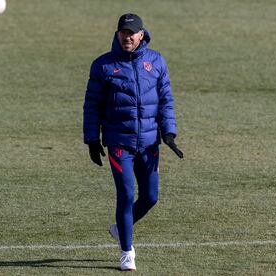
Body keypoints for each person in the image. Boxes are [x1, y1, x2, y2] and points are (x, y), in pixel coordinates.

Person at [83, 13, 183, 271]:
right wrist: (92, 139)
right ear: (117, 34)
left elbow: (166, 100)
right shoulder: (103, 66)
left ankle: (119, 229)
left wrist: (169, 132)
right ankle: (127, 251)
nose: (127, 37)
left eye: (132, 33)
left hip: (149, 143)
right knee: (126, 195)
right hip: (119, 143)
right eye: (123, 32)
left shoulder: (156, 62)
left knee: (150, 197)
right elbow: (92, 106)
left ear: (141, 35)